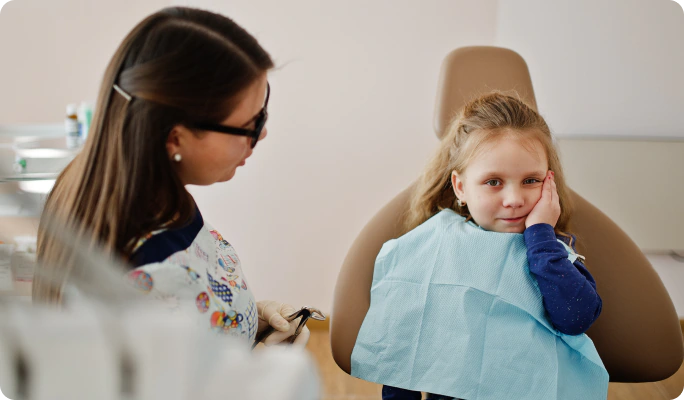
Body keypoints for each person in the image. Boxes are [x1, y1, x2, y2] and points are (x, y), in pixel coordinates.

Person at [34, 7, 308, 347]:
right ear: (175, 138)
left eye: (262, 114)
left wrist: (247, 320)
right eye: (249, 125)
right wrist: (260, 369)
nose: (262, 134)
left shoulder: (106, 184)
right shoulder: (151, 272)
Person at [352, 93, 606, 399]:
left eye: (531, 180)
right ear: (460, 186)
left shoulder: (554, 250)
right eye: (494, 182)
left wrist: (541, 235)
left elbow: (575, 318)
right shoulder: (433, 248)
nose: (514, 200)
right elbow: (405, 345)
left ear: (549, 181)